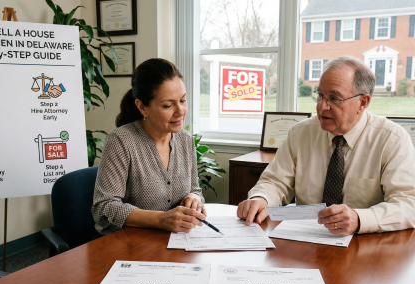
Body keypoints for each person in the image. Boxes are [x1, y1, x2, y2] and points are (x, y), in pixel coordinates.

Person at [237, 56, 415, 235]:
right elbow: (275, 182)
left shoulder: (392, 140)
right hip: (305, 240)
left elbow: (409, 204)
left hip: (367, 245)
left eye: (334, 98)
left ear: (363, 102)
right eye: (320, 95)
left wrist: (360, 219)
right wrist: (261, 198)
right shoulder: (300, 134)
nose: (322, 107)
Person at [92, 58, 206, 236]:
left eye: (183, 100)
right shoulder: (121, 141)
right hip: (132, 243)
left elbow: (195, 189)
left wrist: (194, 198)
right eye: (168, 105)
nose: (180, 111)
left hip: (177, 241)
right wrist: (160, 220)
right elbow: (104, 207)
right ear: (142, 107)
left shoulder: (186, 141)